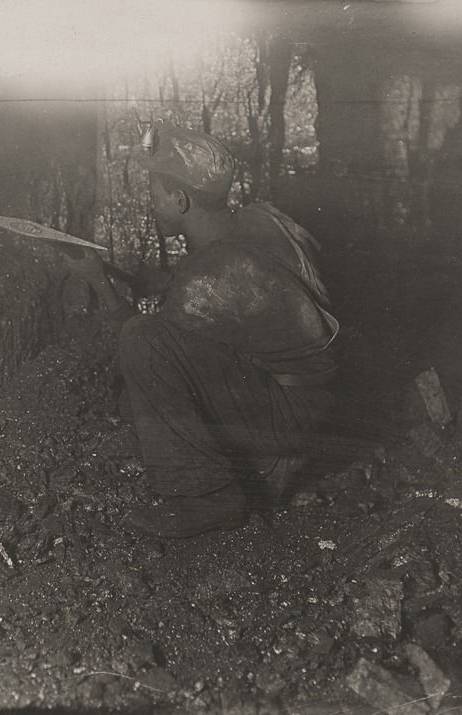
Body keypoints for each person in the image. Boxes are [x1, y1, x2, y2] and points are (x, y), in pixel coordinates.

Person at [67, 120, 338, 538]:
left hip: (290, 415)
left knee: (139, 348)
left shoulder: (206, 277)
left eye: (156, 197)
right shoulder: (260, 218)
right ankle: (264, 462)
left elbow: (154, 353)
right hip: (316, 399)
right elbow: (249, 292)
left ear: (179, 200)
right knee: (142, 396)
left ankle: (209, 496)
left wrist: (100, 284)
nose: (152, 206)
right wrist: (163, 281)